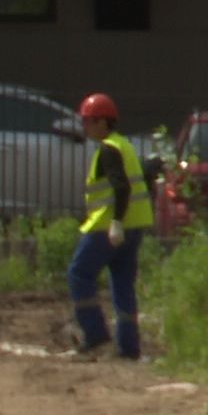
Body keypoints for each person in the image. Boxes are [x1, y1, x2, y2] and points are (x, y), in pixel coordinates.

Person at [66, 92, 154, 360]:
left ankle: (94, 334)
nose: (86, 126)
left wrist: (115, 222)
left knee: (79, 274)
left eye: (90, 121)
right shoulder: (123, 145)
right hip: (135, 225)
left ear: (104, 122)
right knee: (123, 285)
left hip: (108, 227)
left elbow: (121, 186)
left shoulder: (108, 150)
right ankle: (128, 348)